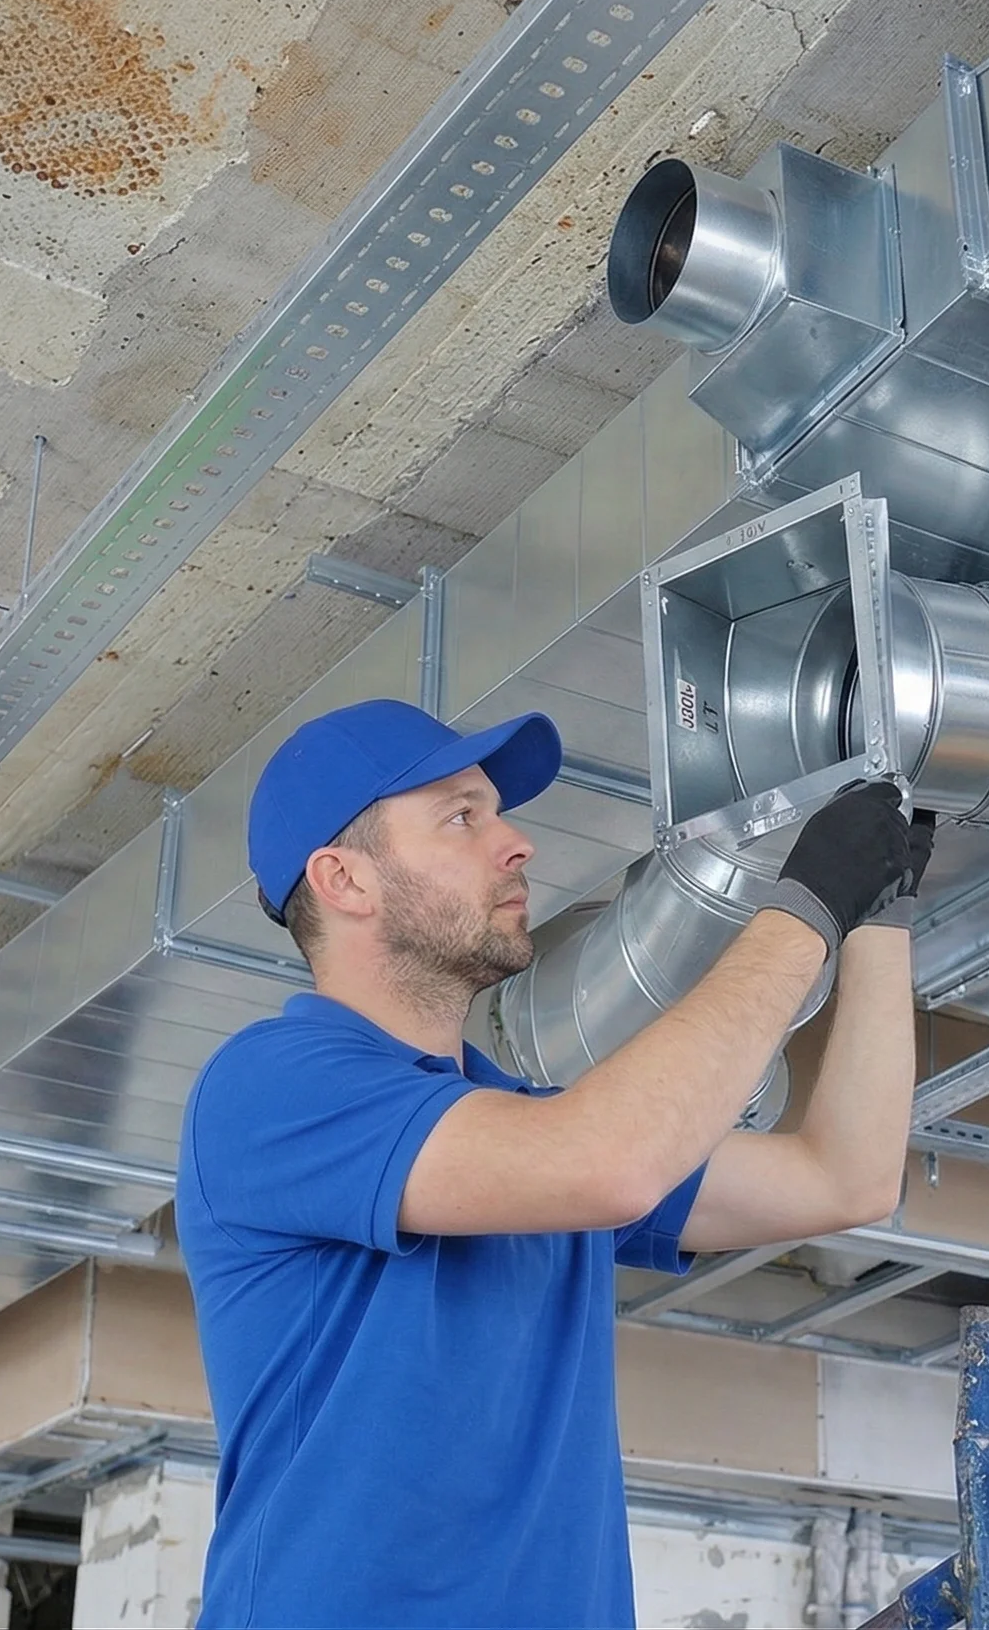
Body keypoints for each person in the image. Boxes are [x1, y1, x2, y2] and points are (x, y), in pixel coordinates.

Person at [176, 697, 930, 1627]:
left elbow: (843, 1177)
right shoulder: (270, 1088)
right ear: (344, 880)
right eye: (462, 816)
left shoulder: (529, 1135)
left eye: (497, 812)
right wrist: (807, 906)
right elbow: (609, 1162)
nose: (516, 843)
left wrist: (879, 913)